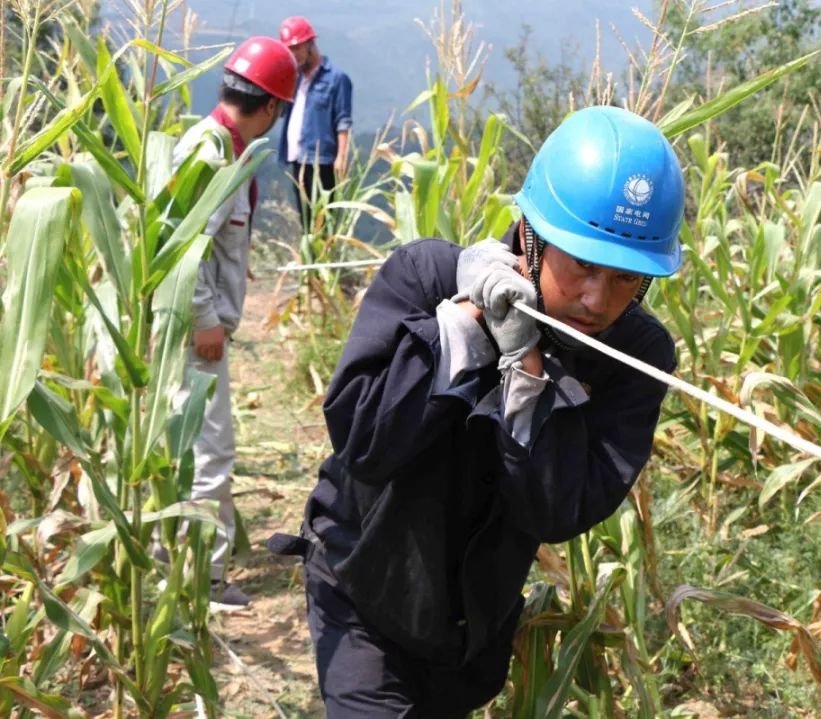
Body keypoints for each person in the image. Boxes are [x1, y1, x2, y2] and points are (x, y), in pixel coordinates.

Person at [269, 105, 685, 715]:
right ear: (531, 235)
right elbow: (361, 442)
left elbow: (557, 511)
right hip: (361, 586)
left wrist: (527, 371)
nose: (597, 301)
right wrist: (460, 331)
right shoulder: (426, 275)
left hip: (467, 630)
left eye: (626, 280)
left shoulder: (635, 355)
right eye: (583, 267)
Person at [172, 36, 297, 609]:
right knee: (210, 451)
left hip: (193, 326)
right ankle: (204, 580)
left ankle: (173, 559)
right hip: (191, 332)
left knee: (184, 447)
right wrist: (205, 319)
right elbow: (182, 248)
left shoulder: (224, 145)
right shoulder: (210, 154)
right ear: (270, 106)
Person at [277, 16, 354, 227]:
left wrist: (341, 157)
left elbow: (343, 120)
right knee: (306, 220)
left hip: (321, 161)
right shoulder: (296, 78)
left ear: (310, 44)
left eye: (297, 48)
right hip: (297, 159)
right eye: (289, 50)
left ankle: (324, 257)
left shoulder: (337, 79)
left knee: (323, 220)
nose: (293, 54)